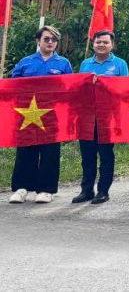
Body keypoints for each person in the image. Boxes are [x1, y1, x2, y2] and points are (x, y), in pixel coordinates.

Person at [8, 26, 73, 205]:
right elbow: (13, 87)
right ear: (38, 41)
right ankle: (21, 188)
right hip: (27, 114)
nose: (50, 42)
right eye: (46, 39)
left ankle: (46, 189)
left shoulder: (63, 63)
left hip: (52, 115)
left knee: (50, 151)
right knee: (25, 150)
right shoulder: (26, 62)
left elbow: (69, 88)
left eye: (54, 40)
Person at [73, 30, 129, 205]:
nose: (101, 45)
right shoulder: (85, 64)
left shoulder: (120, 64)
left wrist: (105, 83)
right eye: (98, 42)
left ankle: (103, 191)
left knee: (106, 155)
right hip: (87, 117)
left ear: (112, 45)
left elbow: (125, 89)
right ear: (93, 44)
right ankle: (86, 190)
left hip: (108, 117)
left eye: (105, 42)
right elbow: (79, 89)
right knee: (87, 156)